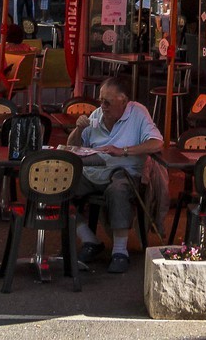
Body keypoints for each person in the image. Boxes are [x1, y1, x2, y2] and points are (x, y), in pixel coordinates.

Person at [66, 77, 162, 275]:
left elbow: (157, 143)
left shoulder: (138, 113)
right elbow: (72, 146)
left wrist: (123, 150)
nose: (103, 106)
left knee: (118, 189)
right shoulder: (97, 115)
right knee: (62, 185)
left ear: (123, 101)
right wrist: (79, 129)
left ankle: (120, 251)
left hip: (125, 170)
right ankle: (89, 238)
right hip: (95, 170)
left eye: (107, 102)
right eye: (100, 100)